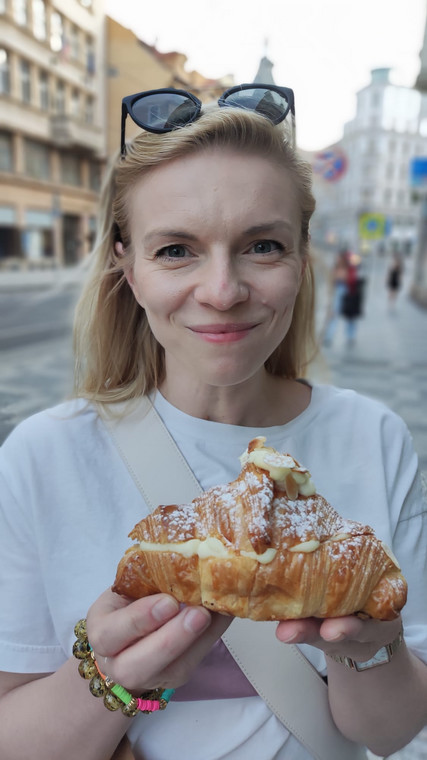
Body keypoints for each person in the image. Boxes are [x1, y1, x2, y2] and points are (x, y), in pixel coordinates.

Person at [0, 84, 426, 760]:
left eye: (261, 246)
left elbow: (393, 731)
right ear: (127, 266)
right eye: (175, 250)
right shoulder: (43, 456)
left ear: (301, 254)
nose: (222, 291)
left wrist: (369, 650)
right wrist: (111, 679)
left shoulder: (371, 438)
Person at [323, 249, 365, 347]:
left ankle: (350, 336)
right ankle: (330, 336)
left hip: (345, 293)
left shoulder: (349, 268)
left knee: (348, 316)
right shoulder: (338, 268)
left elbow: (342, 278)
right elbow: (332, 280)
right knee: (333, 315)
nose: (336, 259)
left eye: (338, 257)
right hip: (339, 292)